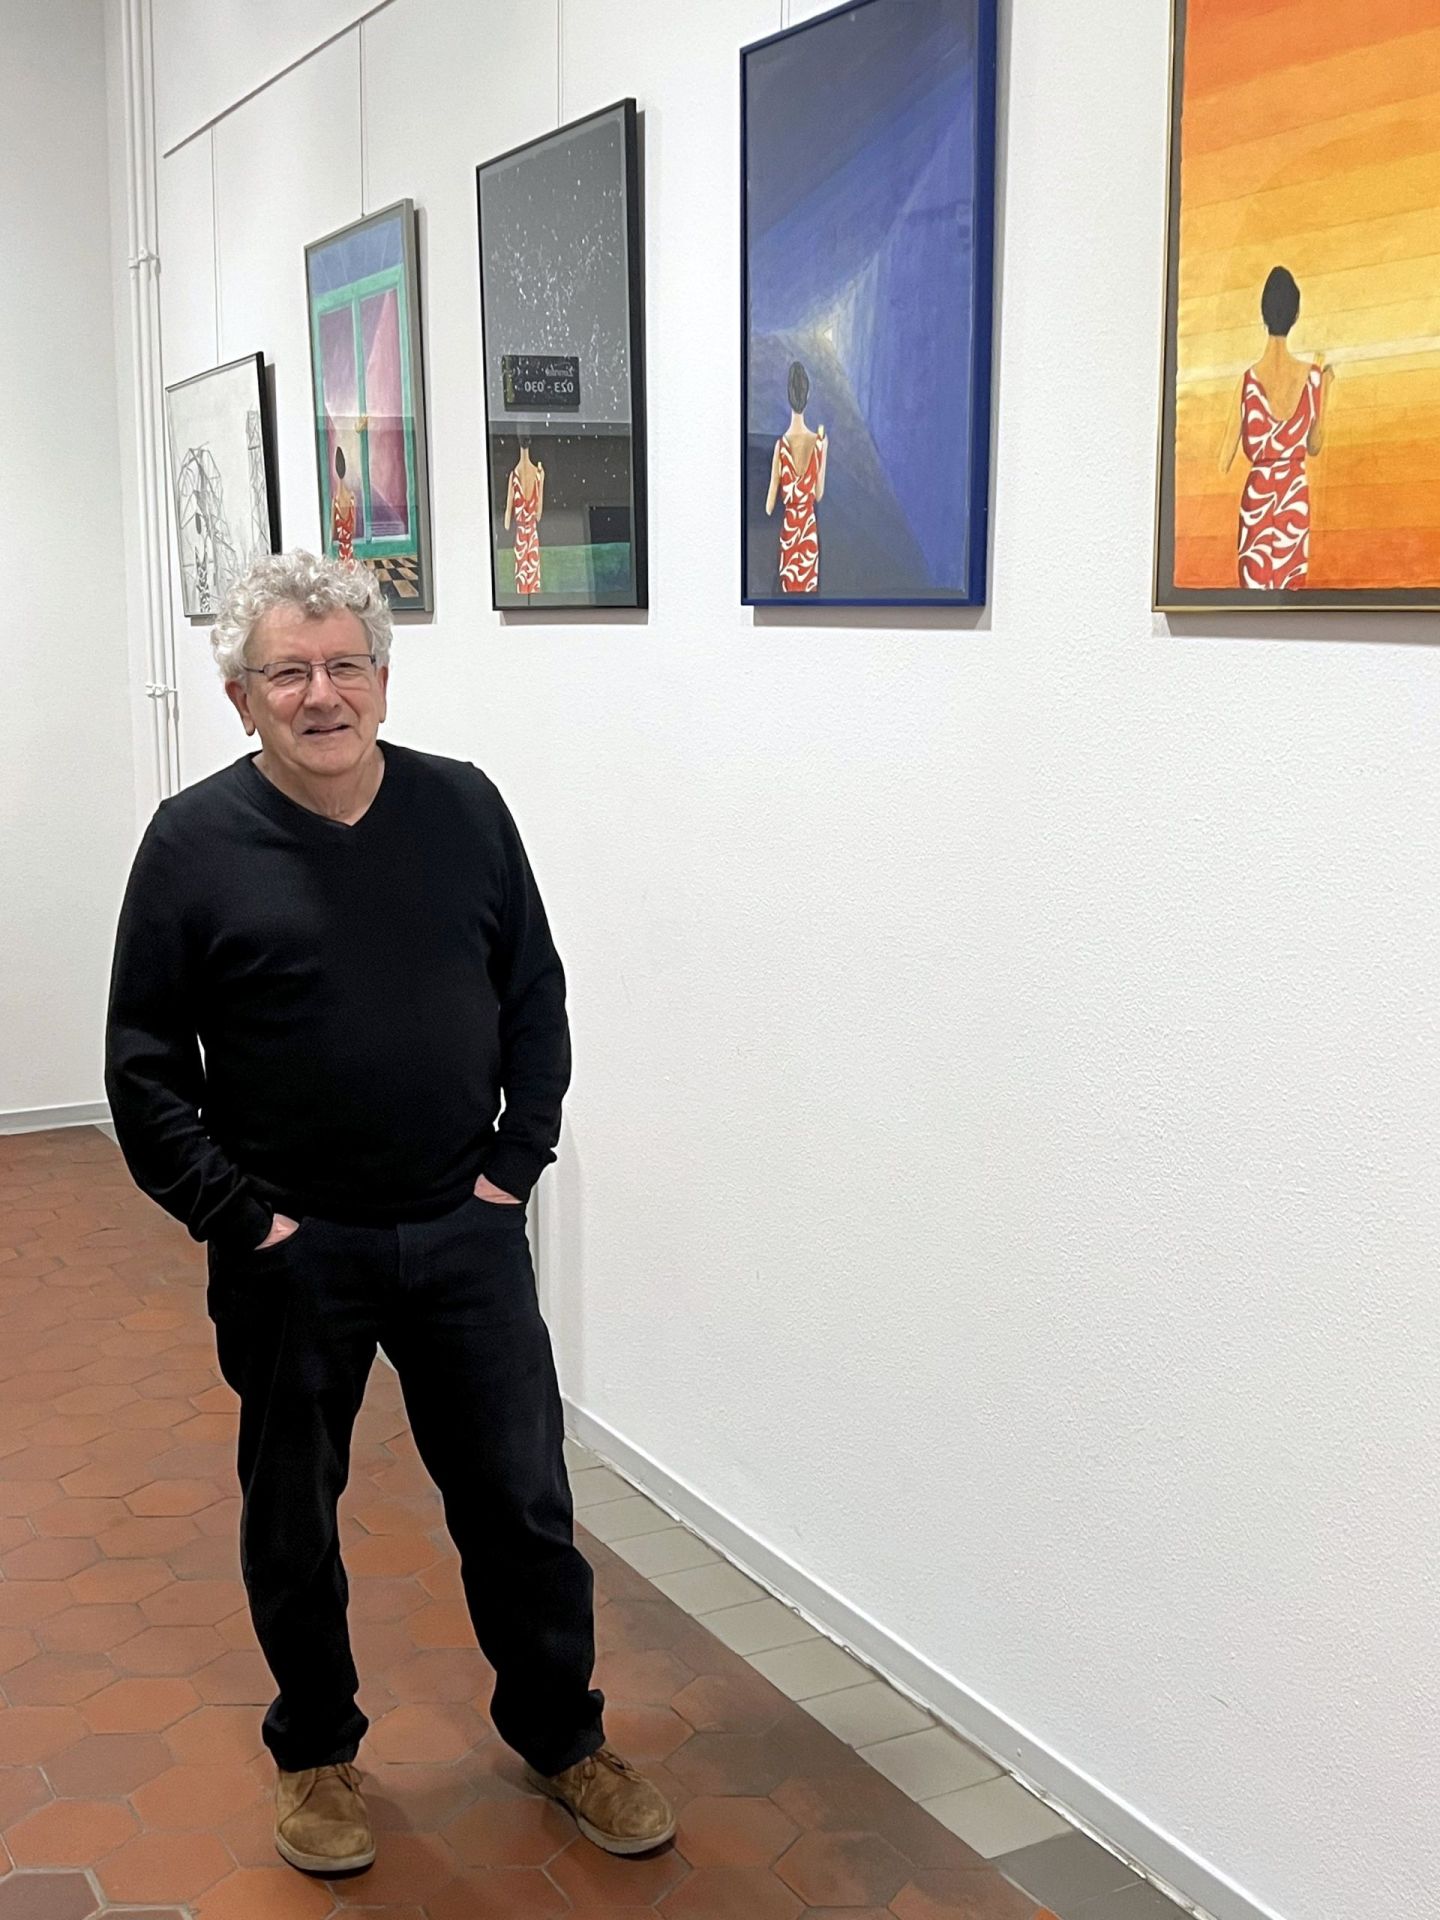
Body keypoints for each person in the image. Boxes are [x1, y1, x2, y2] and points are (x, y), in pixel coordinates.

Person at [104, 549, 674, 1877]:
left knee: (522, 1502)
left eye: (344, 665)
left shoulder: (463, 808)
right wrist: (238, 1219)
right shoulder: (192, 844)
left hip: (462, 1233)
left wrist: (511, 1170)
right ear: (241, 697)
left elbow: (533, 993)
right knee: (294, 1513)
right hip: (291, 1247)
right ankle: (316, 1757)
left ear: (382, 677)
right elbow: (143, 1062)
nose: (321, 694)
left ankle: (562, 1735)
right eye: (287, 672)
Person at [1219, 265, 1334, 591]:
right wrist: (1324, 392)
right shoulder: (1313, 377)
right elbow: (1314, 445)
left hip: (1256, 499)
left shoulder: (1247, 381)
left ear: (1263, 313)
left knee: (1254, 599)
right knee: (1289, 597)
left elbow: (1223, 460)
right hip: (1294, 498)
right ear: (1296, 315)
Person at [765, 359, 828, 594]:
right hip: (809, 534)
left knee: (787, 600)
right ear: (808, 395)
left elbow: (769, 506)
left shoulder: (780, 447)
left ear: (788, 396)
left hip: (789, 534)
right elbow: (818, 494)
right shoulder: (820, 443)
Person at [504, 436, 544, 596]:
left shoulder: (514, 476)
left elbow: (508, 512)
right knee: (532, 576)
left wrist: (507, 526)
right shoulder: (538, 473)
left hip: (520, 535)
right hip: (532, 533)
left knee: (522, 576)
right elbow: (539, 513)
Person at [331, 444, 356, 563]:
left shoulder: (335, 500)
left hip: (341, 553)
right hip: (350, 551)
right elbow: (354, 530)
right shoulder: (351, 496)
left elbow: (332, 532)